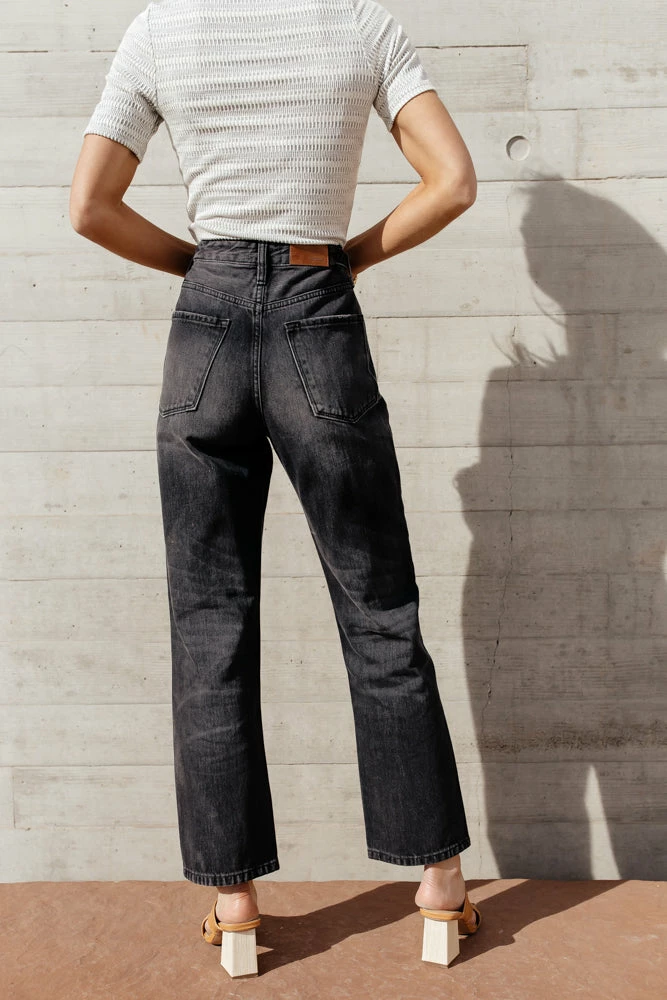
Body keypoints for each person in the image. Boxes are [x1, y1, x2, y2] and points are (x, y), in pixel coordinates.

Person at [70, 0, 480, 962]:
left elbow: (89, 206)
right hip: (315, 305)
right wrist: (346, 260)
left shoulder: (161, 29)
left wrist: (202, 269)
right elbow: (453, 182)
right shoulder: (360, 23)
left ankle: (236, 907)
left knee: (208, 621)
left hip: (203, 321)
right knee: (378, 608)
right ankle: (438, 889)